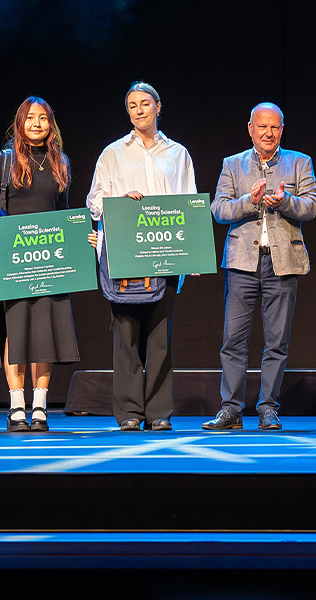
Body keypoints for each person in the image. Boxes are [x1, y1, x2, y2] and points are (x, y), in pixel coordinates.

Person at [87, 81, 196, 431]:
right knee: (126, 336)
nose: (139, 110)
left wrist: (190, 254)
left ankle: (159, 412)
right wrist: (120, 203)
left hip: (163, 253)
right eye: (132, 105)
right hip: (124, 254)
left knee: (160, 337)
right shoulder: (113, 153)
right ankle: (130, 413)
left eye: (145, 103)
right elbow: (94, 200)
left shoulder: (177, 153)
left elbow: (188, 200)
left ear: (158, 107)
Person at [202, 103, 316, 432]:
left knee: (276, 341)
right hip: (242, 264)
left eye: (275, 127)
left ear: (282, 130)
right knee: (233, 339)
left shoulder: (299, 162)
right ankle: (231, 409)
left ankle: (268, 408)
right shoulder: (233, 164)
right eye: (262, 127)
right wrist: (248, 202)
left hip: (282, 263)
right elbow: (218, 209)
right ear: (250, 128)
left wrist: (284, 202)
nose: (268, 133)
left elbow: (311, 207)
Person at [3, 96, 96, 432]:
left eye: (43, 118)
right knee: (17, 331)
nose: (37, 123)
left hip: (51, 261)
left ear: (50, 124)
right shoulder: (6, 161)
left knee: (44, 332)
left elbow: (67, 215)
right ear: (20, 122)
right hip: (17, 259)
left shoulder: (61, 163)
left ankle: (39, 407)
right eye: (31, 118)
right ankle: (16, 408)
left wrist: (82, 239)